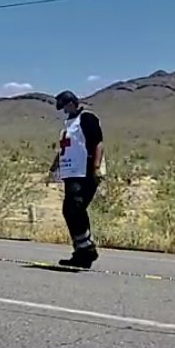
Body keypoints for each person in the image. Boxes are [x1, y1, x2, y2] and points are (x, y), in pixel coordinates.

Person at [48, 90, 105, 268]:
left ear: (71, 103)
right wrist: (54, 166)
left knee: (75, 207)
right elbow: (65, 148)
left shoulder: (86, 118)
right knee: (71, 210)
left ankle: (86, 249)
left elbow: (98, 143)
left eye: (64, 106)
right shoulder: (68, 125)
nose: (63, 111)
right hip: (70, 173)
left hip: (84, 171)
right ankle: (82, 251)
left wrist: (95, 167)